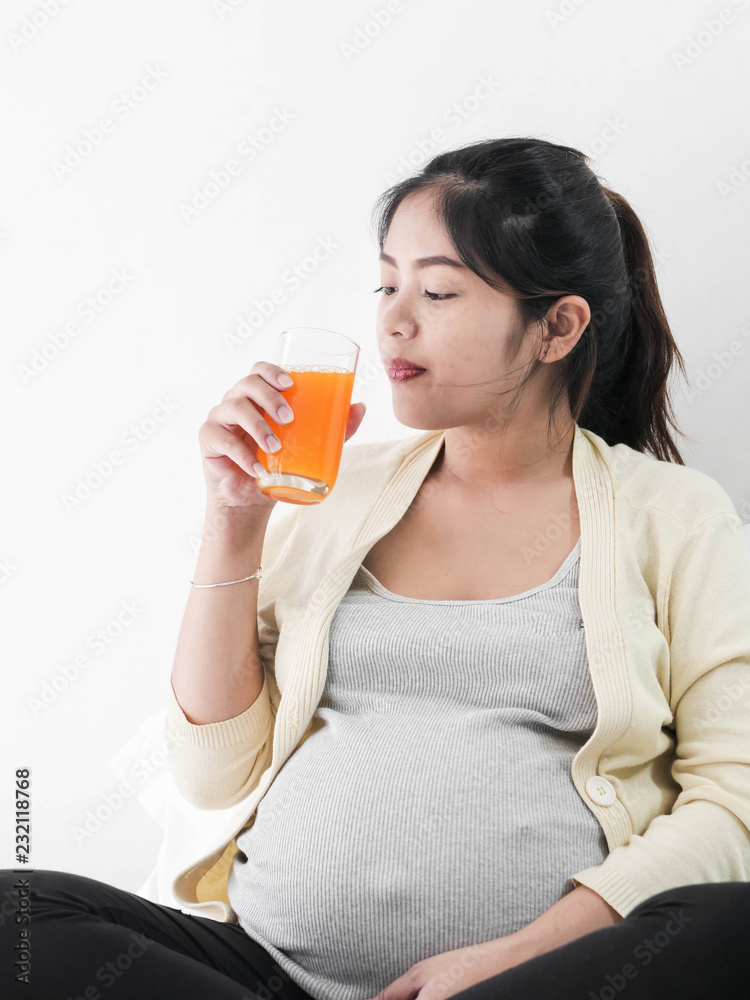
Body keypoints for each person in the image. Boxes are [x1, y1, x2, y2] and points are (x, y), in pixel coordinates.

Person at [3, 136, 749, 1000]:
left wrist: (512, 958)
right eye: (387, 284)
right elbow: (214, 777)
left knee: (735, 926)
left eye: (435, 291)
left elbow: (733, 805)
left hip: (531, 981)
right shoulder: (333, 493)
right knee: (18, 915)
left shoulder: (677, 518)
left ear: (558, 327)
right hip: (269, 976)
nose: (395, 320)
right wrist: (235, 523)